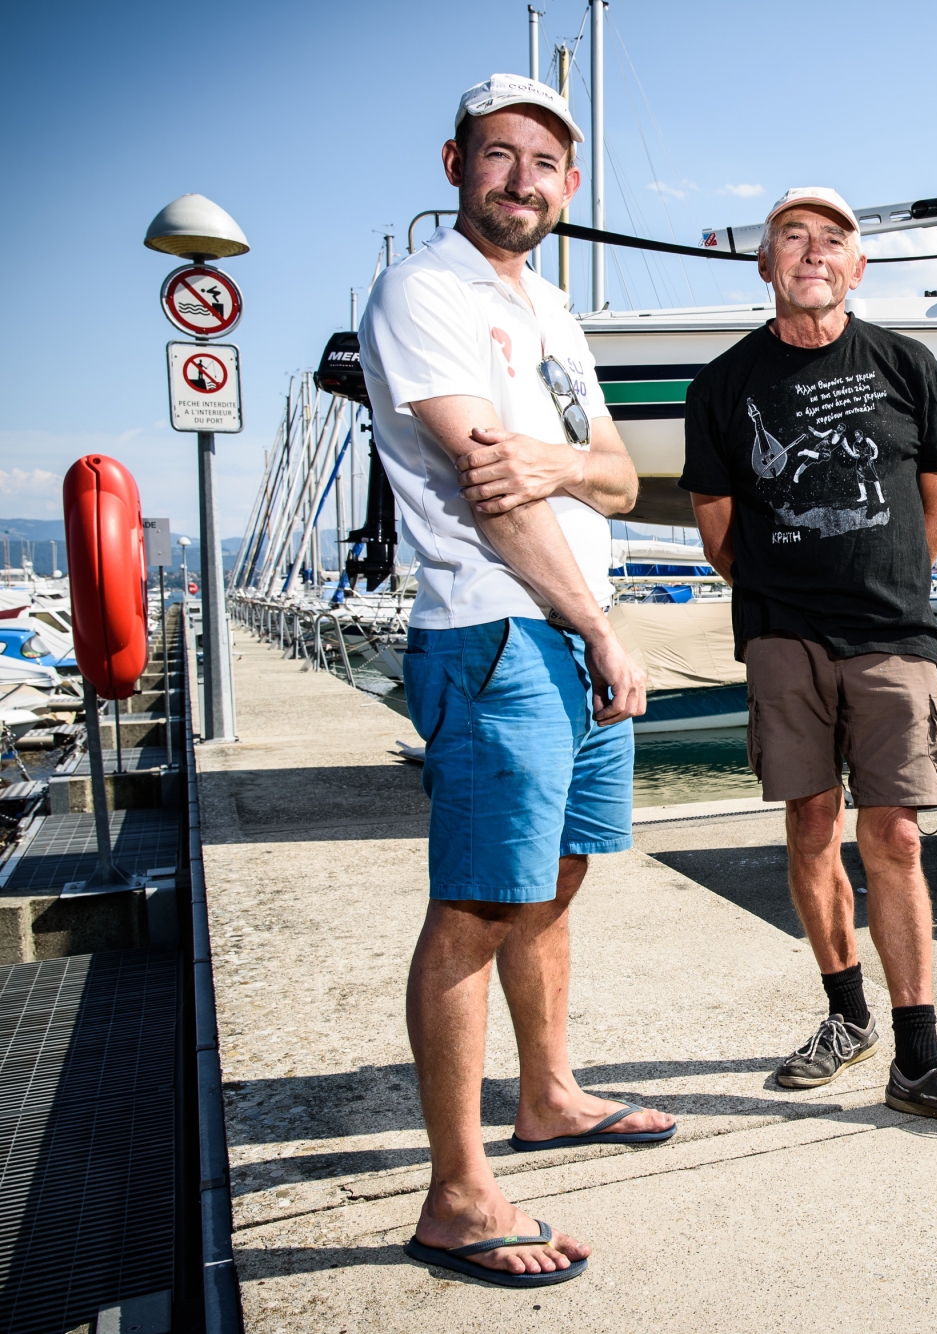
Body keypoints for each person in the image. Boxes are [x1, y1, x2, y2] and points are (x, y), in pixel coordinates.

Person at [358, 73, 674, 1289]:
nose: (521, 179)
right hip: (498, 632)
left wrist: (559, 462)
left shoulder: (553, 313)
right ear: (455, 166)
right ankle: (455, 1192)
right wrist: (597, 624)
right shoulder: (420, 293)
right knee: (479, 906)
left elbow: (622, 477)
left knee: (557, 879)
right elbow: (493, 495)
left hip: (574, 634)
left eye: (543, 162)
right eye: (498, 155)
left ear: (570, 185)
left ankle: (545, 1095)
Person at [680, 188, 937, 1136]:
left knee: (900, 837)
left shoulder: (906, 363)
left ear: (857, 267)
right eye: (793, 237)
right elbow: (719, 532)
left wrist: (883, 577)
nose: (814, 252)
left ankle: (919, 1059)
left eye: (834, 240)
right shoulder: (723, 386)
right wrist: (796, 580)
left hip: (891, 635)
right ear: (766, 264)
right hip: (784, 636)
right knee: (808, 827)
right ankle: (846, 1015)